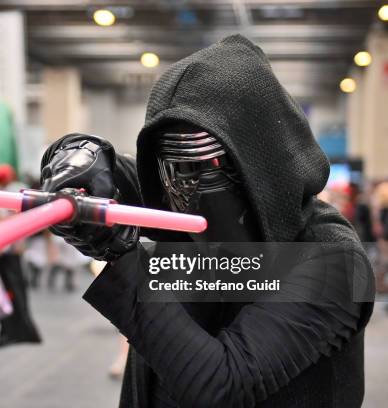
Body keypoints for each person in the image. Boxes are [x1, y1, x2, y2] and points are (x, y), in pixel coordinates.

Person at [39, 35, 374, 407]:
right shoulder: (176, 203)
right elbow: (114, 173)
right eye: (169, 168)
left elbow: (221, 385)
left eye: (197, 170)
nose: (179, 194)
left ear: (252, 164)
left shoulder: (333, 259)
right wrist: (77, 156)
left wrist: (117, 255)